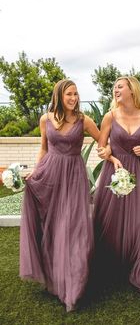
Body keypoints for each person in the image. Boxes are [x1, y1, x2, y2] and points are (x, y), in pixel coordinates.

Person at [20, 79, 108, 312]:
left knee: (73, 228)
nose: (74, 98)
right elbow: (44, 148)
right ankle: (55, 277)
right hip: (50, 175)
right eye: (69, 94)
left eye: (76, 94)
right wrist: (35, 170)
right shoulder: (45, 119)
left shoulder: (84, 120)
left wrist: (113, 154)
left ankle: (74, 286)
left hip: (74, 177)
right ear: (59, 96)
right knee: (54, 227)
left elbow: (103, 143)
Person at [94, 76, 140, 295]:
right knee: (110, 221)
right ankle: (110, 268)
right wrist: (111, 156)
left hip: (138, 174)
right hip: (114, 174)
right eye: (114, 87)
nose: (115, 90)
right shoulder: (109, 117)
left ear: (132, 90)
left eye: (120, 86)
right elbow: (101, 148)